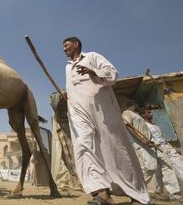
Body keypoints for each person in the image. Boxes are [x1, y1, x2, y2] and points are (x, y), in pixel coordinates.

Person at [62, 37, 149, 205]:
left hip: (102, 110)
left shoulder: (92, 57)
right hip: (78, 112)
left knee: (114, 149)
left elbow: (113, 74)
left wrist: (94, 73)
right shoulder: (67, 67)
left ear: (76, 44)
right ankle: (102, 193)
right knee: (83, 146)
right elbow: (75, 86)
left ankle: (136, 195)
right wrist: (68, 94)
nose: (64, 49)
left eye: (66, 45)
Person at [122, 103, 181, 201]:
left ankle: (175, 194)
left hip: (151, 146)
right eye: (134, 103)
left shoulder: (136, 115)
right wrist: (141, 140)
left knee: (167, 166)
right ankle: (135, 188)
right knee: (150, 167)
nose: (137, 105)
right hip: (140, 145)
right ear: (131, 105)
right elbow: (128, 126)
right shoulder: (127, 113)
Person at [142, 106, 183, 200]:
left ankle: (162, 192)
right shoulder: (145, 126)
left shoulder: (154, 125)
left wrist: (172, 148)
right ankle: (174, 194)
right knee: (166, 170)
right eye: (148, 113)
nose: (151, 113)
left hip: (166, 147)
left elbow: (162, 138)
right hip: (158, 149)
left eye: (150, 112)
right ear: (143, 115)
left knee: (179, 165)